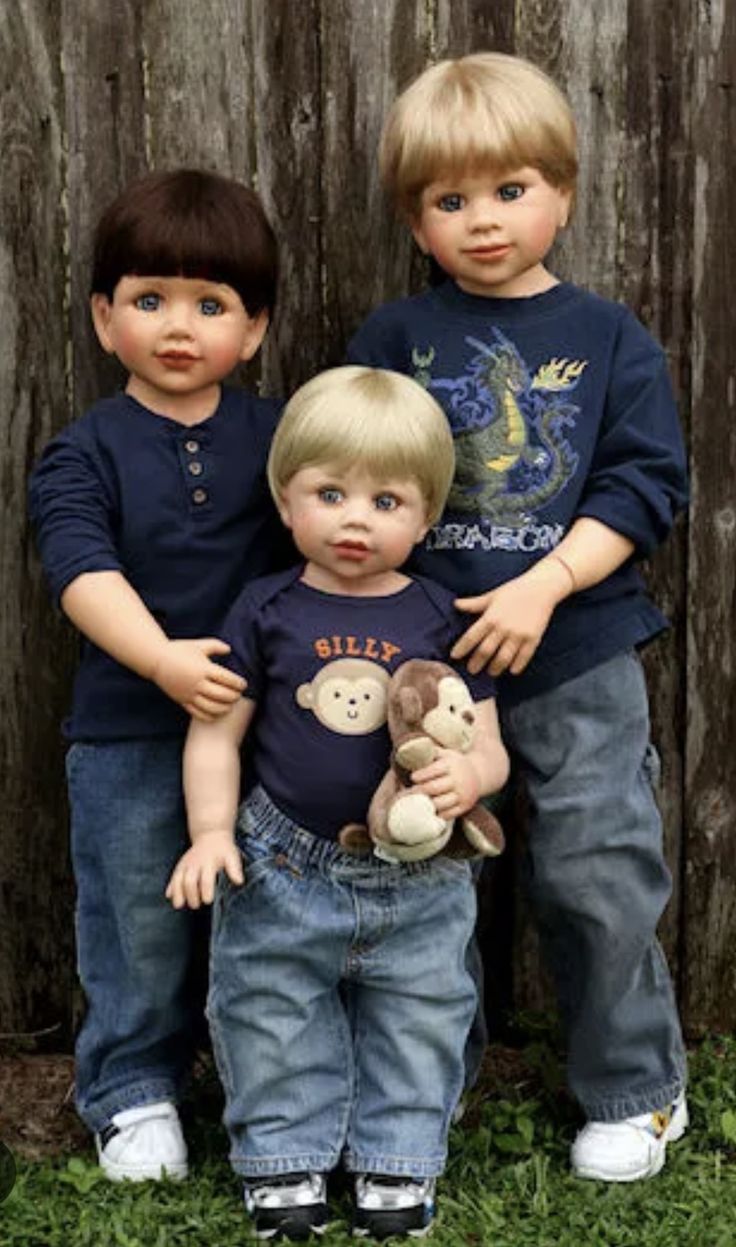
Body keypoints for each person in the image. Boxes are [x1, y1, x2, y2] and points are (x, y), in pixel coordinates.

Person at [346, 51, 689, 1184]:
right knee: (421, 866)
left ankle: (635, 1088)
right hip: (428, 664)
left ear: (564, 192)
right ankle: (415, 1092)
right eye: (449, 200)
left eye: (510, 189)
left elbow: (644, 485)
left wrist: (546, 583)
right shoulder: (395, 341)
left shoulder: (606, 339)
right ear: (416, 218)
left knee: (596, 865)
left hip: (576, 647)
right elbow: (357, 475)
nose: (483, 220)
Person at [166, 365, 510, 1240]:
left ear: (428, 516)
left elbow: (489, 742)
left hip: (423, 871)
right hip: (285, 859)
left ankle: (397, 1161)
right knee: (269, 1007)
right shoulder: (264, 608)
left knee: (422, 1012)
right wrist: (210, 831)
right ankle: (285, 1162)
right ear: (287, 501)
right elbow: (216, 733)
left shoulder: (442, 615)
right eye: (331, 493)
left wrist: (471, 780)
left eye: (387, 501)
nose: (356, 519)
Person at [28, 168, 290, 1182]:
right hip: (129, 726)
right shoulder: (84, 449)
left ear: (253, 329)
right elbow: (81, 571)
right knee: (138, 914)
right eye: (149, 299)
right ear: (104, 317)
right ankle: (133, 1086)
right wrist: (162, 659)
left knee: (267, 905)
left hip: (268, 729)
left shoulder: (278, 440)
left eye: (210, 304)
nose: (177, 325)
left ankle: (270, 1079)